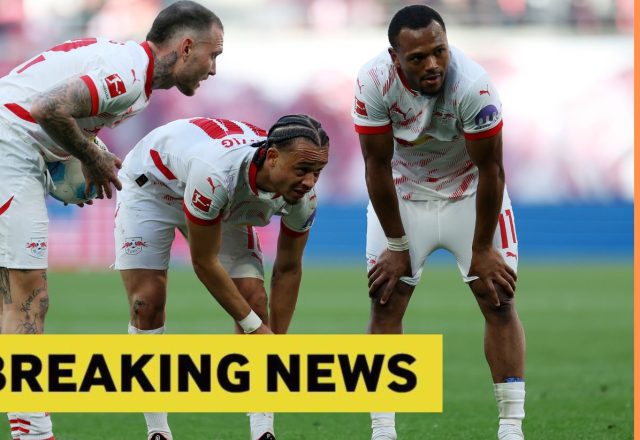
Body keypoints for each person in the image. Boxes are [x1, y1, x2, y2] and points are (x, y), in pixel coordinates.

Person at [0, 2, 223, 439]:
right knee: (30, 297)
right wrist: (91, 156)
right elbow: (47, 107)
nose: (213, 68)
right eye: (213, 55)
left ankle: (24, 428)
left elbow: (49, 109)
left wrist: (75, 159)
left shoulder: (130, 69)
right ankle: (34, 432)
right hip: (2, 152)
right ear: (187, 47)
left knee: (11, 300)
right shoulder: (129, 75)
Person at [352, 5, 525, 440]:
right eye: (418, 58)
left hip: (471, 194)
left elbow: (492, 170)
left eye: (439, 51)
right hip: (404, 194)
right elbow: (375, 165)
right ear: (394, 58)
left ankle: (511, 427)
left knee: (498, 300)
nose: (432, 64)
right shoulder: (373, 82)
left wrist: (483, 248)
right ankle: (383, 429)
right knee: (385, 302)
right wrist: (396, 246)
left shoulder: (474, 87)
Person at [114, 115, 329, 440]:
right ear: (272, 157)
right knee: (146, 302)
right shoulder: (216, 174)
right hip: (154, 187)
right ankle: (157, 431)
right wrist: (256, 329)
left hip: (219, 196)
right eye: (302, 170)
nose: (310, 181)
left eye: (318, 172)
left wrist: (274, 342)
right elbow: (203, 261)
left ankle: (263, 429)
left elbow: (288, 269)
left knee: (253, 298)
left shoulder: (305, 198)